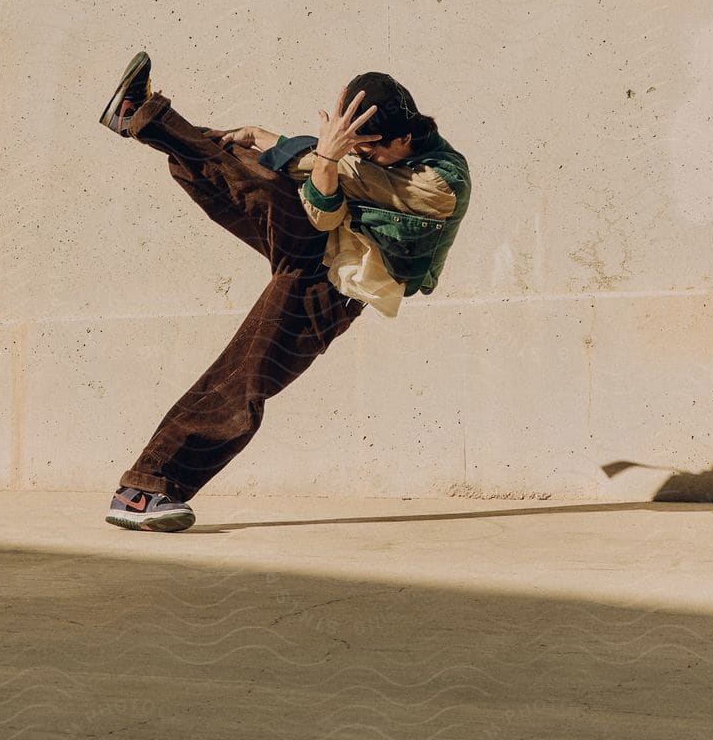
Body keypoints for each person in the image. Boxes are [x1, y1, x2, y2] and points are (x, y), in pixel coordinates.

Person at [97, 52, 471, 531]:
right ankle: (139, 115)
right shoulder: (363, 160)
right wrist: (268, 141)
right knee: (238, 161)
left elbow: (330, 201)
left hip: (332, 284)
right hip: (322, 241)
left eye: (371, 149)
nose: (361, 155)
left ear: (404, 138)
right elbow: (324, 199)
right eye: (353, 146)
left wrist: (317, 153)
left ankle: (146, 488)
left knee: (246, 377)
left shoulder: (440, 182)